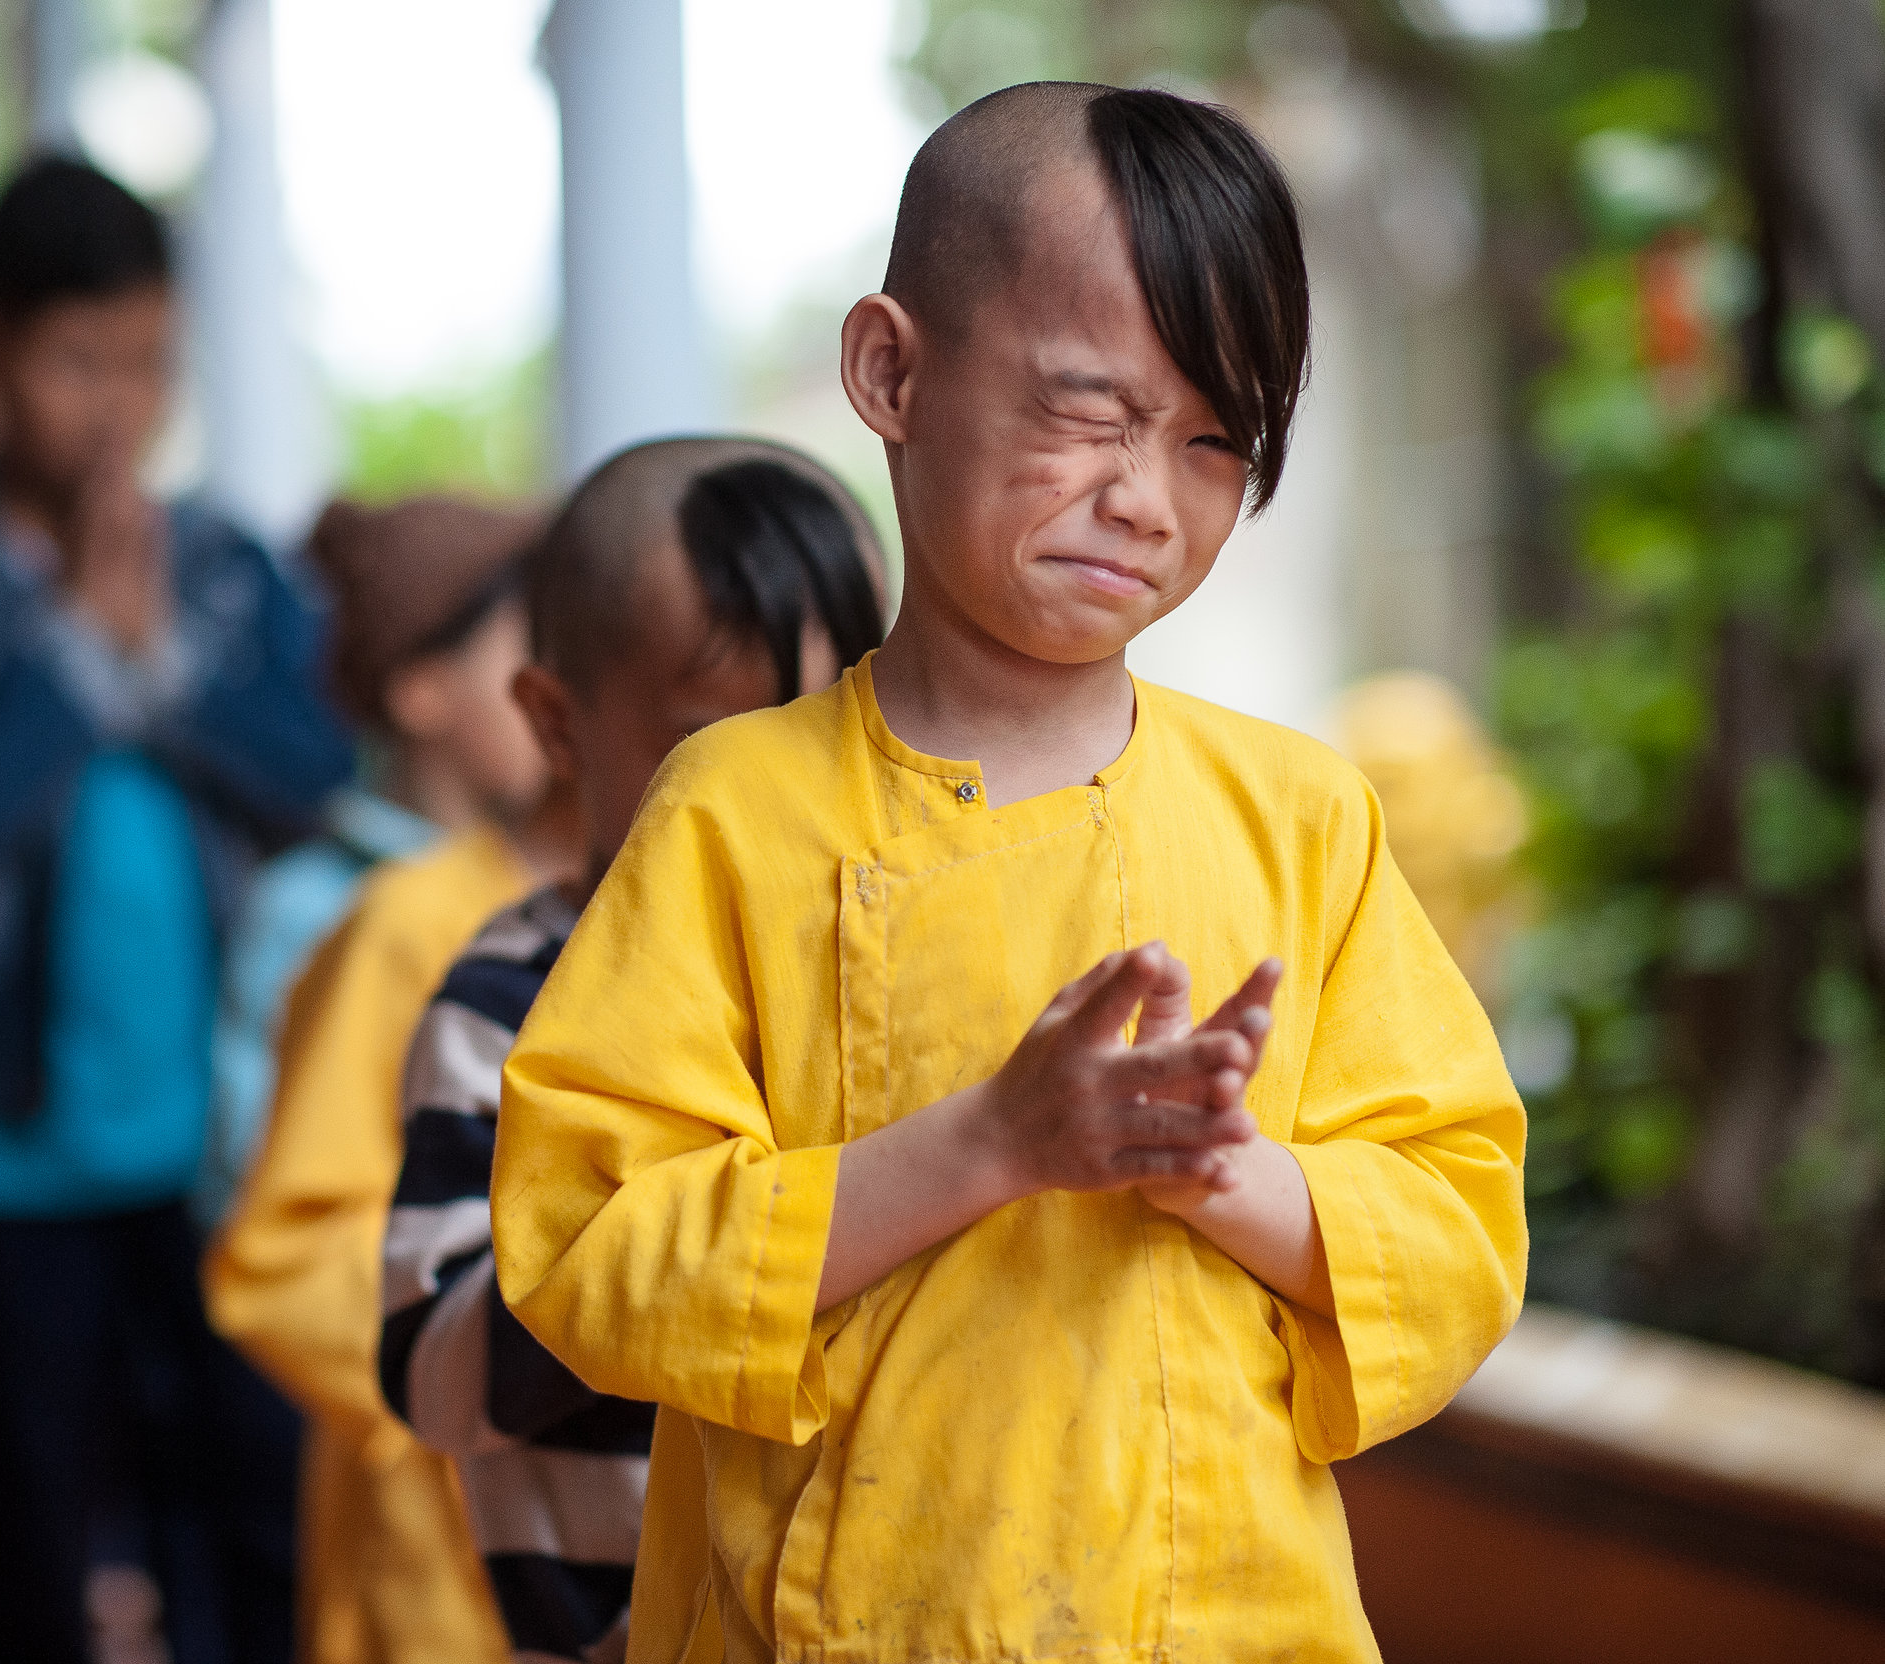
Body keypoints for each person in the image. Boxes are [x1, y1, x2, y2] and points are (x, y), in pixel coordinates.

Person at [489, 83, 1529, 1664]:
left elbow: (1458, 1222)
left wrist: (1228, 1179)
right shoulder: (735, 811)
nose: (1144, 497)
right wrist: (989, 1143)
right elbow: (585, 1249)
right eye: (1087, 412)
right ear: (890, 371)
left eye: (1210, 442)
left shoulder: (1303, 817)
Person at [0, 157, 353, 1664]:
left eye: (149, 362)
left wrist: (163, 666)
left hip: (217, 1144)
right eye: (78, 363)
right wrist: (75, 649)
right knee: (6, 1556)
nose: (118, 404)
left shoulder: (223, 566)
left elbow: (316, 774)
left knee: (245, 1530)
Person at [378, 441, 888, 1664]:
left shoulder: (880, 967)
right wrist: (646, 1261)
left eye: (835, 730)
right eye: (718, 742)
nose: (780, 795)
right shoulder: (508, 1004)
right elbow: (433, 1374)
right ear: (558, 721)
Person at [205, 541, 581, 1664]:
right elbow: (285, 1252)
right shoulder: (401, 925)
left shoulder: (692, 908)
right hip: (439, 1542)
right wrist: (504, 1360)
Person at [198, 493, 549, 1231]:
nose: (560, 693)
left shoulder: (546, 877)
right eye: (532, 655)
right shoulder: (311, 908)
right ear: (420, 692)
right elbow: (254, 1184)